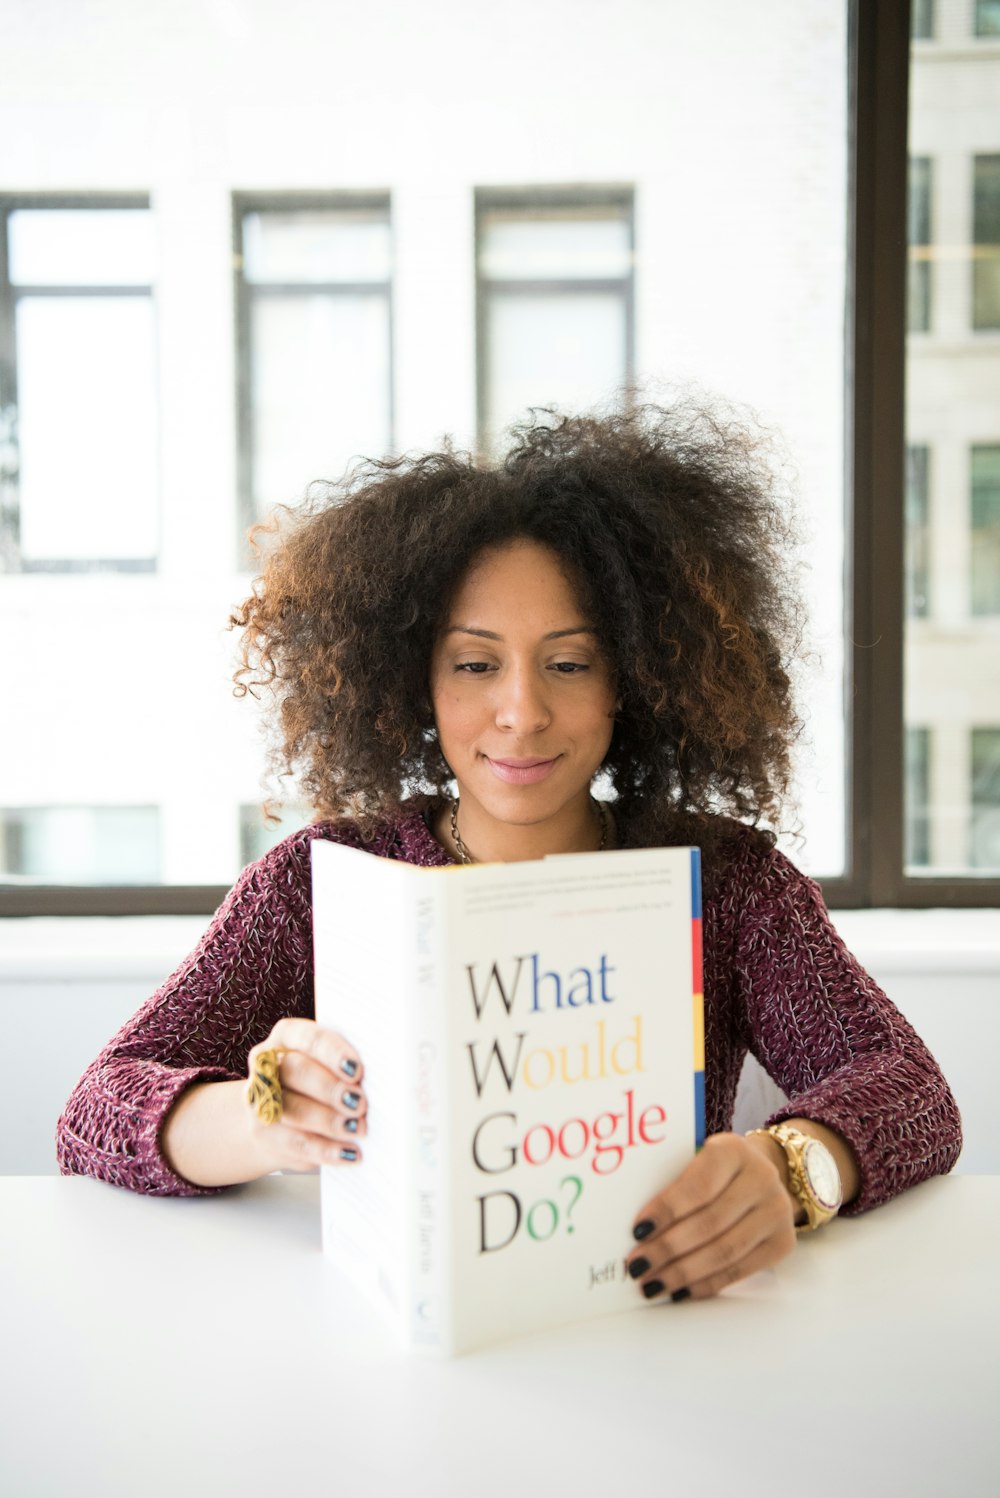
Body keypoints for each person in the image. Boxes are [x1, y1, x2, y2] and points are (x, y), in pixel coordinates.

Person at [57, 402, 962, 1304]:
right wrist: (263, 1122)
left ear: (632, 682)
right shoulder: (318, 880)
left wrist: (795, 1167)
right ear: (414, 680)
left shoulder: (729, 884)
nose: (522, 712)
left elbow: (912, 1092)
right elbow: (97, 1108)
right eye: (475, 664)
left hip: (661, 1333)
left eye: (569, 664)